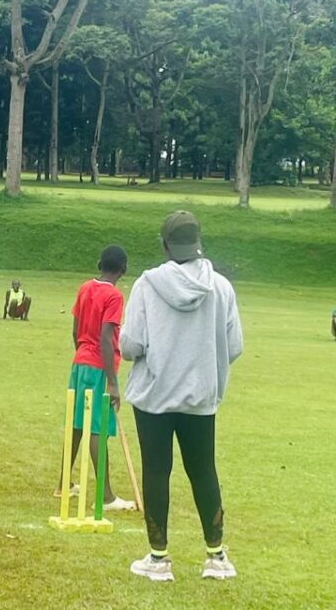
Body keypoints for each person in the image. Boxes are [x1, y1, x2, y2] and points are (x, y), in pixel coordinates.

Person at [120, 211, 242, 583]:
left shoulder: (147, 285)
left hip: (155, 396)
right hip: (201, 397)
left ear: (165, 245)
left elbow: (131, 345)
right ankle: (216, 556)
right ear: (198, 242)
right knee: (203, 470)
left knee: (157, 471)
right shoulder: (220, 286)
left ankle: (159, 559)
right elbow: (234, 346)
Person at [53, 245, 136, 512]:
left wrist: (81, 354)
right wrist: (112, 382)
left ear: (99, 263)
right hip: (98, 366)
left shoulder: (84, 288)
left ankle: (64, 484)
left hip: (80, 363)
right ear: (123, 270)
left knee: (77, 424)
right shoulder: (114, 296)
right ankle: (107, 496)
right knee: (97, 429)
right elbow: (105, 338)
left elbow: (75, 329)